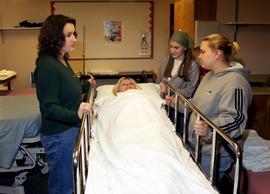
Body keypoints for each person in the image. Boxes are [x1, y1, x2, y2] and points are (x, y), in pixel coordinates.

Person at [166, 33, 252, 187]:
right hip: (198, 144)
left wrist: (210, 129)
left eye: (204, 51)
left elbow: (236, 119)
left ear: (217, 54)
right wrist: (177, 104)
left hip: (215, 152)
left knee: (200, 188)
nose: (199, 56)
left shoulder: (235, 82)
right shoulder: (209, 76)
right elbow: (197, 103)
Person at [34, 14, 93, 194]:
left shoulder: (62, 60)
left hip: (70, 130)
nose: (74, 39)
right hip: (59, 136)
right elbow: (49, 108)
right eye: (69, 35)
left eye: (74, 34)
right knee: (63, 187)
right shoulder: (47, 66)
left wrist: (85, 85)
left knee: (72, 183)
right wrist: (75, 114)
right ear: (54, 37)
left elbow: (68, 88)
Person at [156, 31, 200, 135]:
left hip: (179, 109)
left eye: (176, 48)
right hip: (164, 105)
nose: (172, 50)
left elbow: (190, 91)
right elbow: (158, 82)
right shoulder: (165, 61)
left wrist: (169, 90)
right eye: (170, 47)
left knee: (178, 136)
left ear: (185, 48)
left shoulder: (193, 66)